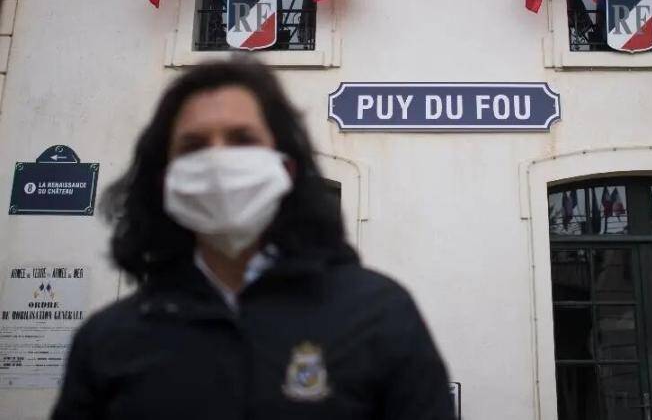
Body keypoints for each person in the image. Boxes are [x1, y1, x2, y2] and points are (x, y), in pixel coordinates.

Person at [52, 59, 454, 420]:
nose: (217, 160)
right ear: (165, 180)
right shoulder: (106, 341)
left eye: (242, 139)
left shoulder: (380, 316)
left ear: (286, 169)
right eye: (193, 146)